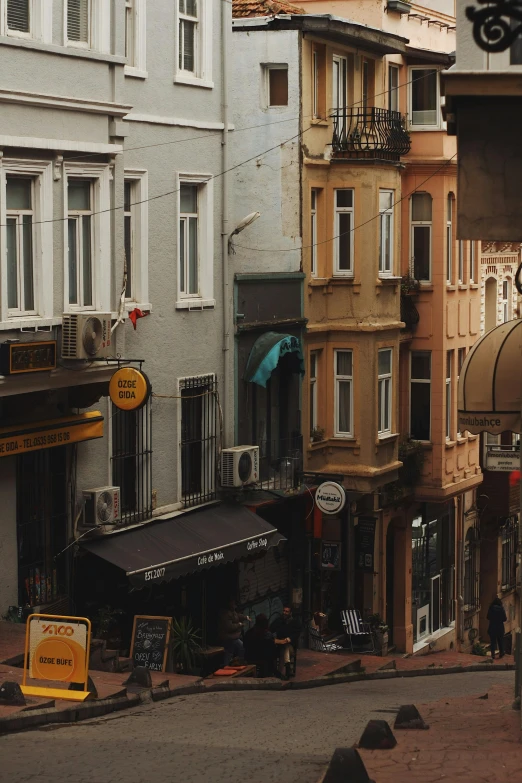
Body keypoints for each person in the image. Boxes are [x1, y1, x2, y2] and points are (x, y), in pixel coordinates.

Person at [270, 606, 301, 679]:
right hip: (279, 645)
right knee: (281, 649)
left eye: (287, 611)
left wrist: (289, 639)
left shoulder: (295, 622)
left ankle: (281, 671)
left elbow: (296, 634)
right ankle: (285, 668)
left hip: (291, 647)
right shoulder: (279, 621)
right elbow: (271, 629)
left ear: (290, 613)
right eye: (284, 611)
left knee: (286, 648)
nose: (284, 613)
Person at [218, 598, 250, 665]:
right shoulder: (226, 614)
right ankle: (233, 665)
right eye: (233, 603)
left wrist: (245, 617)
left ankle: (229, 666)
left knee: (230, 653)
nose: (234, 604)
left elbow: (237, 616)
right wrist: (239, 625)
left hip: (233, 637)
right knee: (238, 649)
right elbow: (229, 627)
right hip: (229, 638)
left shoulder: (232, 612)